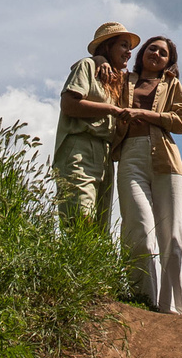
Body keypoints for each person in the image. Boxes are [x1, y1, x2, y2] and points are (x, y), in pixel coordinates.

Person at [112, 35, 182, 313]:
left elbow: (181, 121)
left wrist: (145, 116)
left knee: (173, 236)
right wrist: (100, 59)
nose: (156, 54)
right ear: (142, 52)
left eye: (163, 52)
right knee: (138, 229)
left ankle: (171, 309)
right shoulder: (122, 80)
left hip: (167, 159)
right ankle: (143, 302)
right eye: (152, 48)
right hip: (130, 155)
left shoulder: (172, 85)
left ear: (169, 61)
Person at [53, 22, 138, 232]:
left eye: (130, 48)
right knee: (79, 217)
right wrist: (111, 109)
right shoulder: (88, 66)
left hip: (105, 155)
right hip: (80, 146)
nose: (129, 52)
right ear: (107, 46)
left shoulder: (117, 79)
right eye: (123, 45)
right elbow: (69, 104)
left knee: (100, 227)